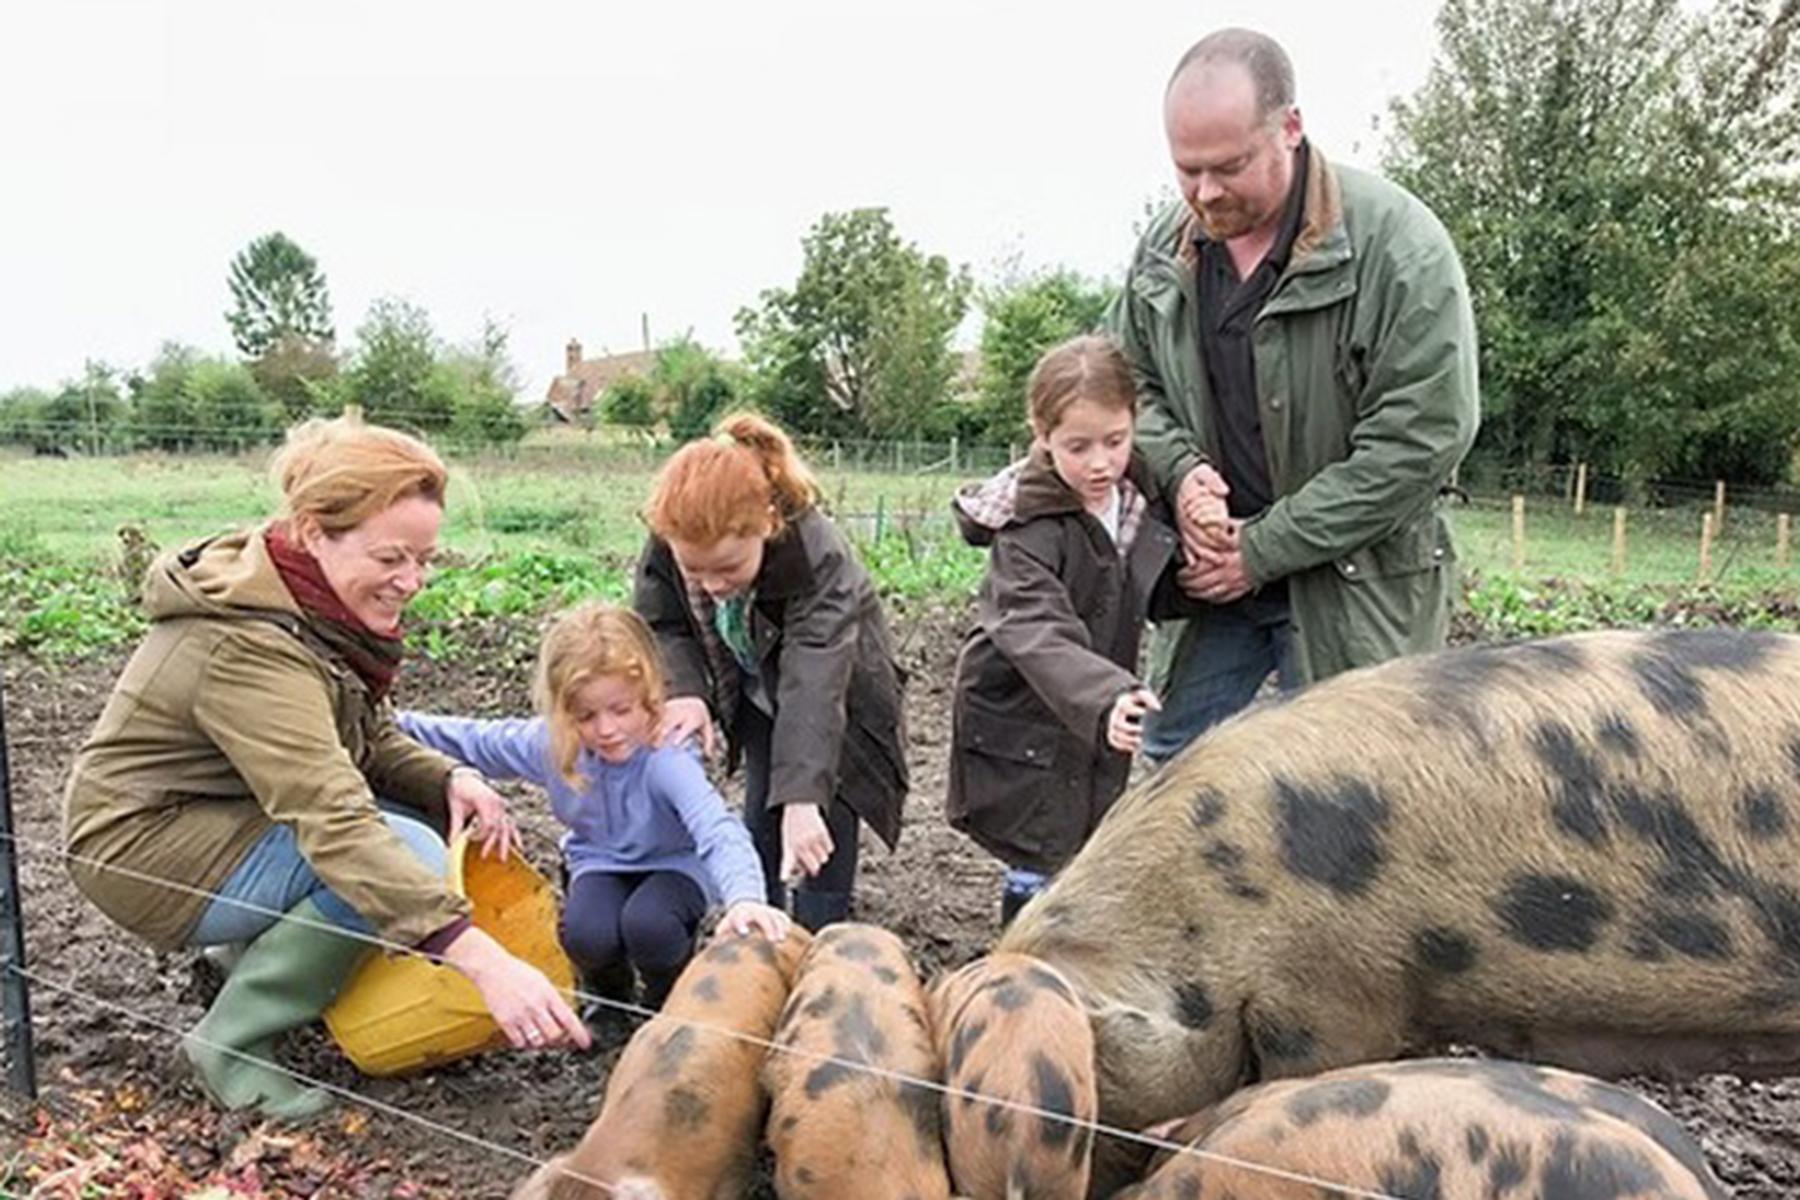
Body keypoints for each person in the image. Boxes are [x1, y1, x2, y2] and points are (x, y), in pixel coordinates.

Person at [62, 415, 589, 1121]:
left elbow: (363, 738)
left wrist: (447, 778)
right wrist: (482, 960)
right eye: (392, 558)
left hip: (209, 816)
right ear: (314, 532)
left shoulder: (304, 602)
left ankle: (245, 965)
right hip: (140, 850)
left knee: (416, 824)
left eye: (424, 560)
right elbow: (331, 812)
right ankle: (232, 1044)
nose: (412, 581)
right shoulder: (249, 644)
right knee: (399, 849)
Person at [1111, 27, 1481, 763]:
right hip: (1212, 577)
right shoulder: (1165, 245)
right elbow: (1124, 385)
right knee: (1171, 762)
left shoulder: (1398, 247)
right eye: (1187, 170)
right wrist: (1183, 474)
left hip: (1357, 581)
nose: (1206, 193)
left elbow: (1422, 438)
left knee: (1359, 785)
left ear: (1290, 128)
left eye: (1230, 166)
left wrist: (1266, 547)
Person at [397, 602, 790, 1021]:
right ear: (563, 711)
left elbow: (717, 828)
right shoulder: (554, 746)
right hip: (599, 861)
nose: (605, 729)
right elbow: (473, 740)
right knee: (586, 933)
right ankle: (608, 999)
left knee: (650, 926)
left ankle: (666, 996)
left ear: (651, 697)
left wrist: (745, 898)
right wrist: (382, 722)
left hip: (675, 866)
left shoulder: (666, 758)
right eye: (585, 715)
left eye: (621, 710)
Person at [946, 335, 1193, 925]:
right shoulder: (1026, 526)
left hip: (1087, 704)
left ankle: (1062, 968)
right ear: (1041, 434)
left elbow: (1132, 583)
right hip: (1022, 709)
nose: (1100, 462)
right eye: (1077, 447)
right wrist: (1106, 693)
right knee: (1040, 849)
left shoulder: (1136, 496)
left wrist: (1205, 573)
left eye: (1115, 441)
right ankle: (1018, 970)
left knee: (1084, 841)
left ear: (1134, 422)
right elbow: (1034, 624)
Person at [633, 412, 909, 932]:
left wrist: (805, 799)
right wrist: (686, 691)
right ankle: (765, 928)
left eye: (729, 569)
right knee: (763, 802)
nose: (712, 585)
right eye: (697, 571)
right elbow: (662, 620)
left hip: (840, 689)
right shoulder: (674, 531)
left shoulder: (817, 556)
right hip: (754, 675)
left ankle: (819, 934)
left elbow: (814, 679)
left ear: (765, 525)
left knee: (823, 811)